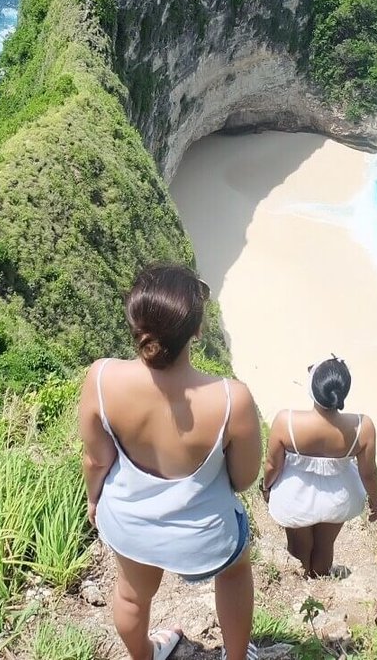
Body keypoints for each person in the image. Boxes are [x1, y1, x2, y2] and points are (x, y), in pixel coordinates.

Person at [78, 263, 263, 660]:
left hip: (130, 525)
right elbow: (244, 478)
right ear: (196, 330)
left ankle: (145, 655)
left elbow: (96, 460)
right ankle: (235, 657)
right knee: (234, 571)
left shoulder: (101, 378)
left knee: (130, 597)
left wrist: (94, 501)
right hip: (205, 538)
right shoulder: (232, 399)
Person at [261, 356, 377, 577]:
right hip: (339, 497)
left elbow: (272, 465)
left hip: (295, 496)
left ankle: (302, 582)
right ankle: (321, 576)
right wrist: (376, 501)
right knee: (326, 546)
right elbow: (369, 473)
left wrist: (266, 487)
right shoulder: (362, 426)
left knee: (298, 548)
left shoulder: (286, 421)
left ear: (313, 389)